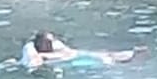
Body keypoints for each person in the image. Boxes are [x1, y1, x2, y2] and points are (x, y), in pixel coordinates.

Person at [18, 31, 147, 71]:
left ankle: (131, 54)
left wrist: (65, 53)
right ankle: (128, 60)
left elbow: (66, 50)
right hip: (69, 60)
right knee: (103, 60)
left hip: (74, 55)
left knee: (106, 54)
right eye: (47, 43)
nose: (49, 45)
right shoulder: (33, 51)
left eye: (50, 42)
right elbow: (36, 61)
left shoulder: (54, 46)